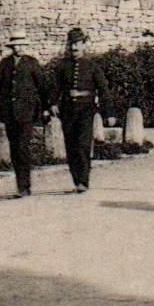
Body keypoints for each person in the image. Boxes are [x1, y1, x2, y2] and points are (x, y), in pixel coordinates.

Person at [0, 31, 49, 197]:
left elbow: (43, 87)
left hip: (27, 112)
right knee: (14, 149)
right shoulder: (5, 64)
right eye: (16, 45)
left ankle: (25, 186)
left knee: (23, 147)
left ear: (26, 46)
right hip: (9, 112)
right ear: (11, 47)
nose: (19, 48)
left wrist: (46, 107)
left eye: (22, 45)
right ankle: (20, 185)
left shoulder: (32, 63)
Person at [51, 27, 115, 193]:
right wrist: (52, 103)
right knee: (70, 145)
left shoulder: (92, 67)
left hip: (86, 110)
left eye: (78, 44)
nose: (74, 48)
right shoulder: (62, 67)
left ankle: (83, 181)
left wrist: (109, 113)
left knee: (83, 145)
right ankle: (76, 180)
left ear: (84, 45)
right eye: (71, 44)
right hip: (67, 110)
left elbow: (103, 90)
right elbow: (54, 87)